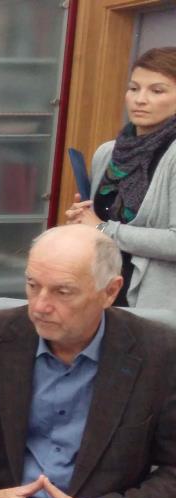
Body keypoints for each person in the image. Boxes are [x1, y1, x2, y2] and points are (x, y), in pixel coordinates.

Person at [0, 225, 176, 498]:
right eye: (33, 285)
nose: (39, 306)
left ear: (110, 292)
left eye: (63, 292)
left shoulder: (160, 353)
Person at [65, 47, 176, 308]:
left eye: (157, 91)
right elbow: (98, 226)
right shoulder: (108, 152)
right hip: (102, 290)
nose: (140, 99)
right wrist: (81, 220)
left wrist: (102, 229)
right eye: (133, 88)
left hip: (156, 304)